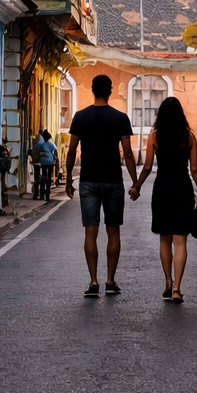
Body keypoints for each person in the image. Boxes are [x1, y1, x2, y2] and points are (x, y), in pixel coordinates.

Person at [64, 75, 137, 297]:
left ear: (93, 90)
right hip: (113, 181)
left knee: (90, 231)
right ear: (110, 91)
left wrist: (68, 178)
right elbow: (128, 153)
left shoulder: (80, 117)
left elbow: (71, 150)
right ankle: (110, 280)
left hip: (88, 180)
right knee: (113, 231)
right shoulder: (120, 118)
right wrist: (135, 182)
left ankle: (93, 281)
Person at [131, 97, 197, 303]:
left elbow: (147, 167)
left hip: (162, 188)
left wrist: (137, 186)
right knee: (180, 240)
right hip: (182, 187)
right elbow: (194, 169)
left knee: (164, 237)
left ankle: (167, 281)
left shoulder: (155, 136)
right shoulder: (189, 137)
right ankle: (178, 289)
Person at [30, 129, 57, 201]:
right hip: (50, 161)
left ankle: (42, 192)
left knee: (43, 175)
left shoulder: (42, 144)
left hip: (44, 161)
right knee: (49, 177)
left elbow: (35, 148)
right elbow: (55, 151)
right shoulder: (51, 144)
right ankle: (48, 192)